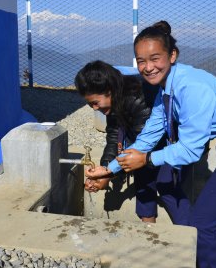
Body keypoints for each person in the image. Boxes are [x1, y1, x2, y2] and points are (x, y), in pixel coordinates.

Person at [86, 21, 216, 268]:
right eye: (141, 61)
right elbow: (147, 137)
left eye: (155, 58)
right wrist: (109, 169)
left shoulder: (191, 86)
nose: (147, 67)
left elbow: (190, 150)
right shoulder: (166, 90)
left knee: (202, 222)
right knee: (207, 215)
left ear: (172, 55)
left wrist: (147, 160)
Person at [75, 60, 190, 224]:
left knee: (167, 186)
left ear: (109, 91)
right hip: (144, 146)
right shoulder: (114, 102)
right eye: (89, 104)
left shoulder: (139, 96)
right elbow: (114, 135)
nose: (94, 108)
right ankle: (148, 232)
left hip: (171, 143)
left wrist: (110, 173)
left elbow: (143, 145)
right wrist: (106, 167)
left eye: (95, 102)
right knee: (143, 182)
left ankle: (189, 235)